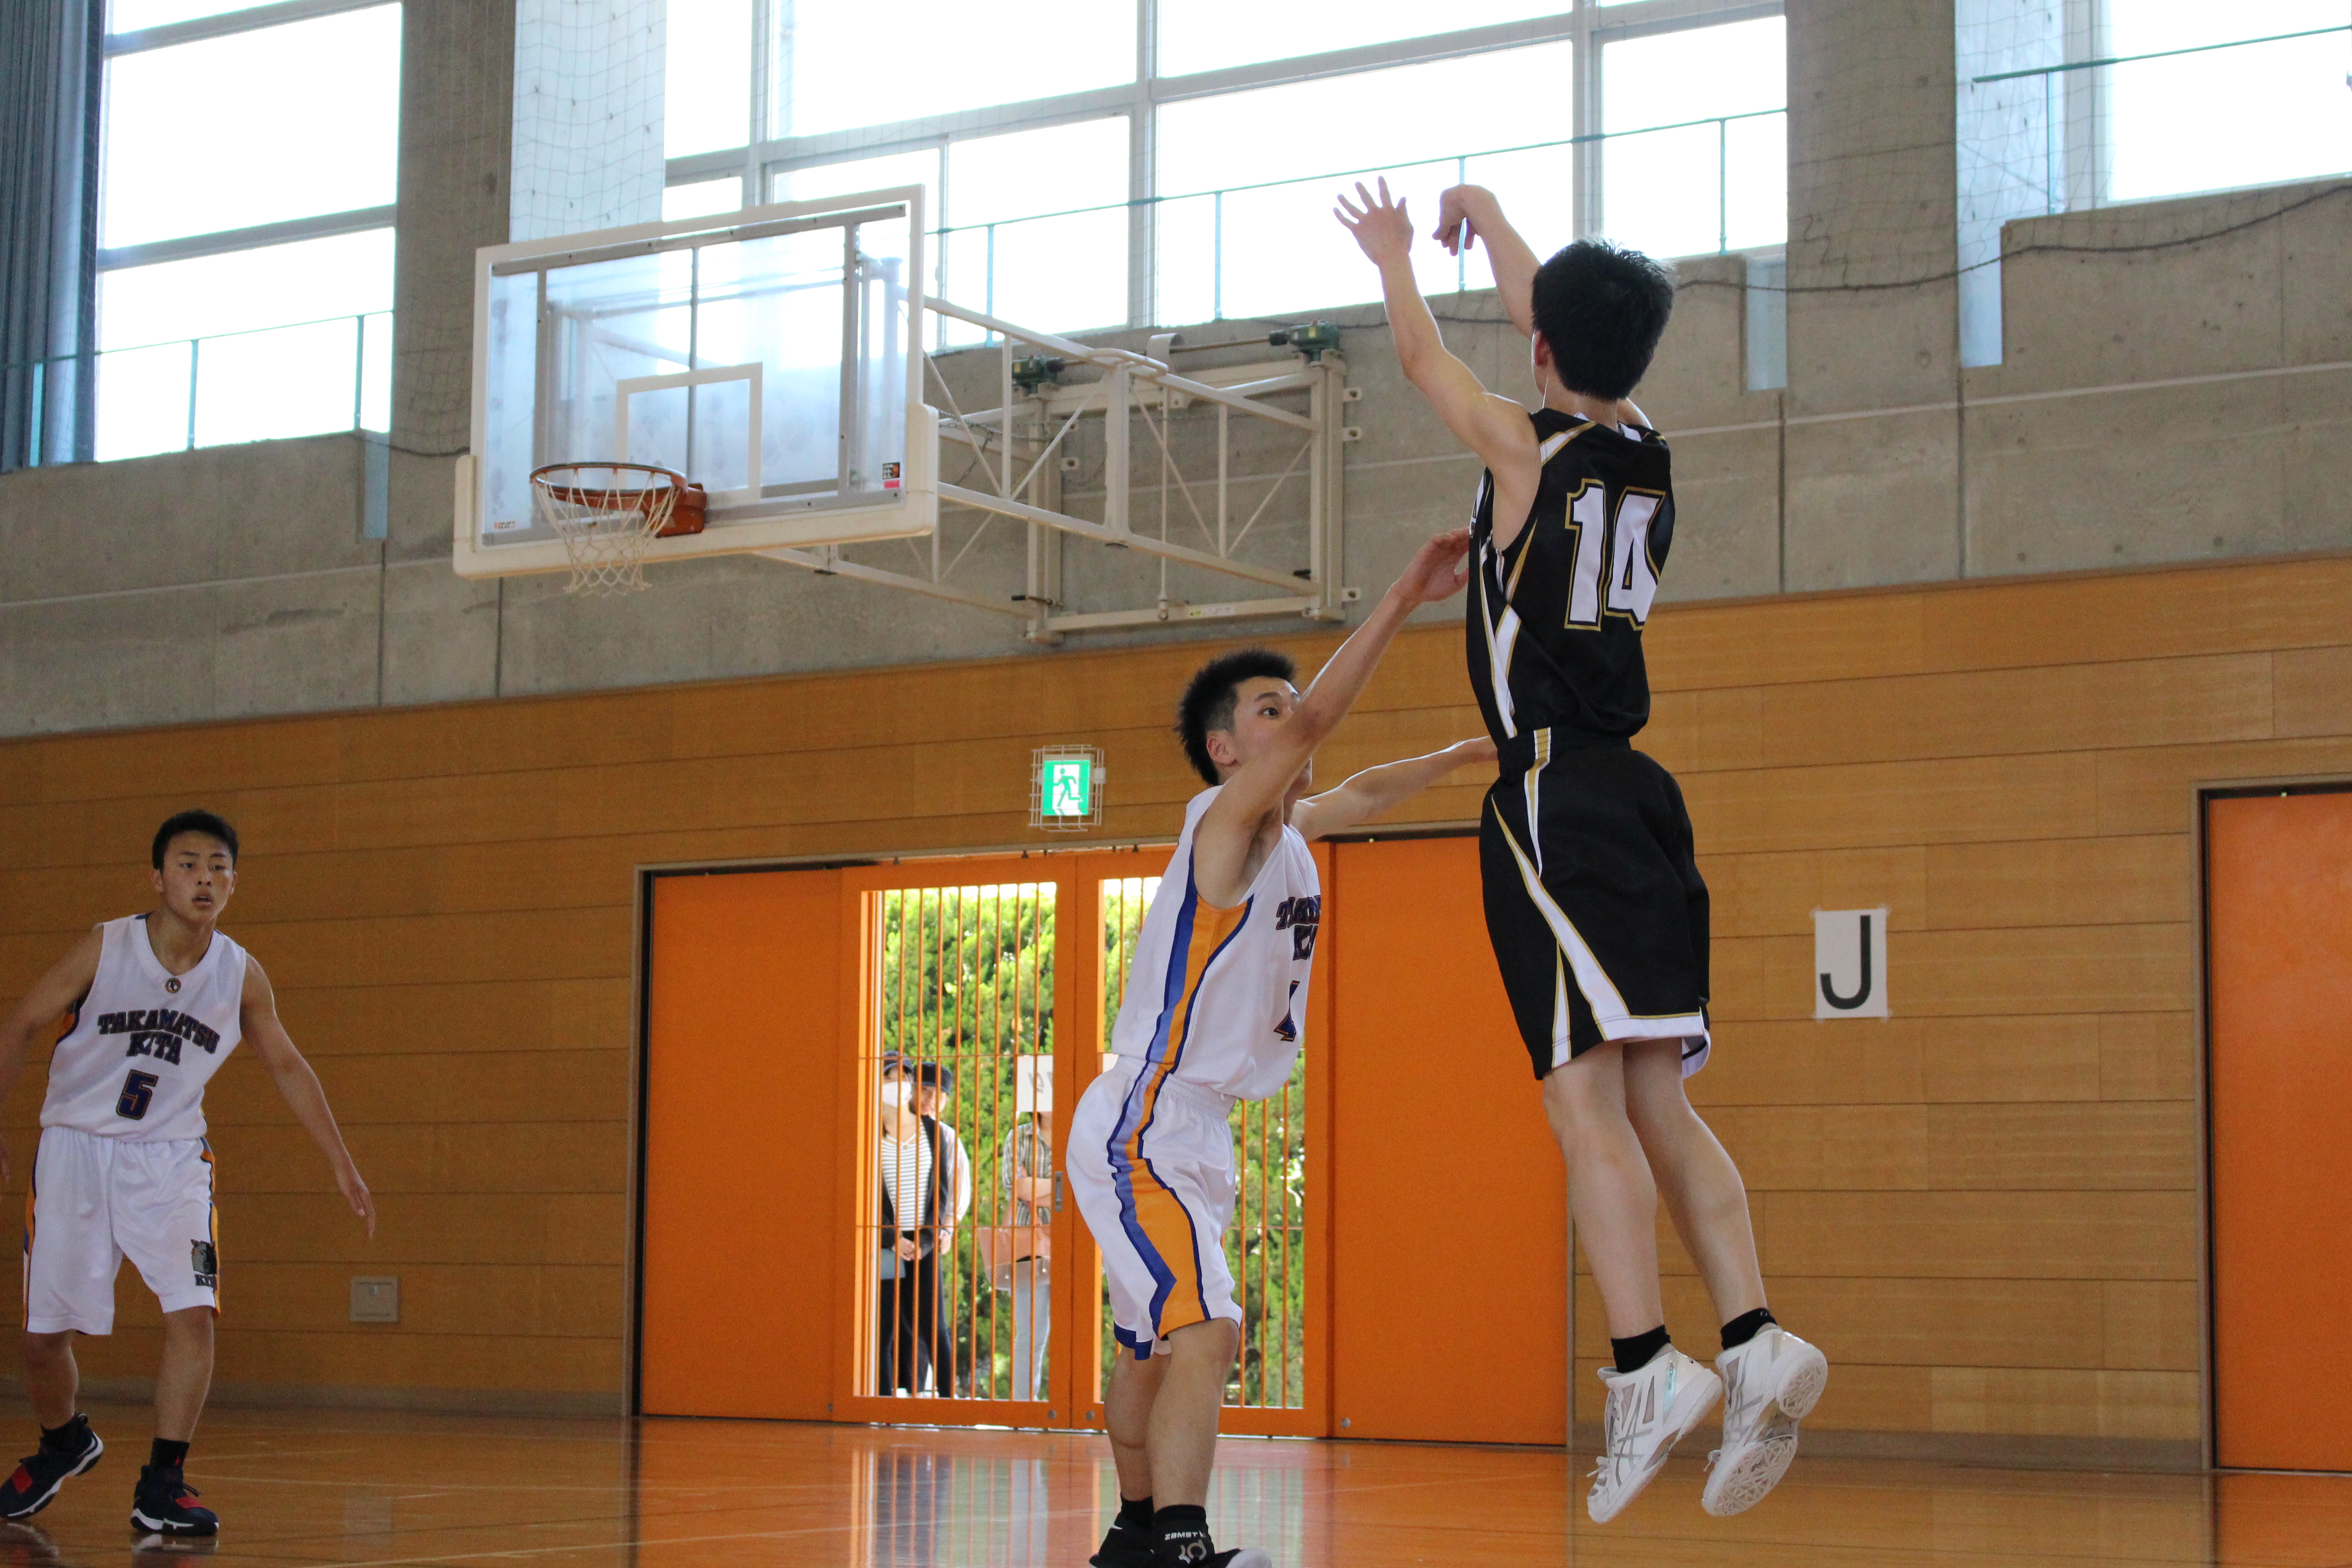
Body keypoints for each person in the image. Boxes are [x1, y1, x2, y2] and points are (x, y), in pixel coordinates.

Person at [1337, 179, 1828, 1522]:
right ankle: (1753, 1335)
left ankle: (1643, 1365)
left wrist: (1396, 258)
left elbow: (1428, 353)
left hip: (1548, 796)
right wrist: (1490, 211)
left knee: (1580, 1103)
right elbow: (1552, 315)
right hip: (1647, 801)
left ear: (1542, 350)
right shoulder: (1648, 449)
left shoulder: (1517, 451)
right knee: (1661, 1098)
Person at [1069, 530, 1493, 1568]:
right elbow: (1319, 724)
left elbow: (1366, 790)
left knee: (1150, 1344)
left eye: (1284, 705)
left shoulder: (1285, 832)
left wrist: (1462, 757)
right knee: (1208, 1328)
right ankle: (1179, 1541)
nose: (1290, 718)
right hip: (1142, 1122)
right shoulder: (1220, 820)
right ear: (1224, 747)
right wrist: (1400, 591)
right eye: (1267, 709)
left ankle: (1129, 1532)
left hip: (1193, 1128)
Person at [0, 810, 377, 1538]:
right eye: (188, 864)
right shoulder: (107, 946)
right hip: (76, 1149)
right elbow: (19, 1022)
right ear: (157, 878)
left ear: (234, 883)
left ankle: (163, 1483)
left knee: (194, 1311)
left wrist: (341, 1159)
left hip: (172, 1158)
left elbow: (289, 1065)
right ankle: (63, 1443)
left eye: (219, 867)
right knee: (43, 1340)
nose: (205, 878)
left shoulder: (240, 973)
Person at [876, 1057, 970, 1396]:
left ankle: (946, 1404)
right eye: (924, 1088)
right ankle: (884, 1403)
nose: (930, 1098)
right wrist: (889, 1237)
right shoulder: (871, 1132)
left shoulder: (939, 1134)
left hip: (925, 1239)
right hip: (885, 1241)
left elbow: (946, 1193)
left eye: (939, 1093)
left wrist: (935, 1236)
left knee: (934, 1327)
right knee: (884, 1327)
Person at [993, 1056, 1054, 1402]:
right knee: (1030, 1332)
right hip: (1027, 1243)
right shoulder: (1019, 1137)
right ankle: (1023, 1406)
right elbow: (1016, 1188)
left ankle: (1071, 1408)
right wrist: (1055, 1190)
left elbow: (1081, 1187)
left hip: (1074, 1242)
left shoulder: (1081, 1132)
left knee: (1076, 1331)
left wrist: (1038, 1188)